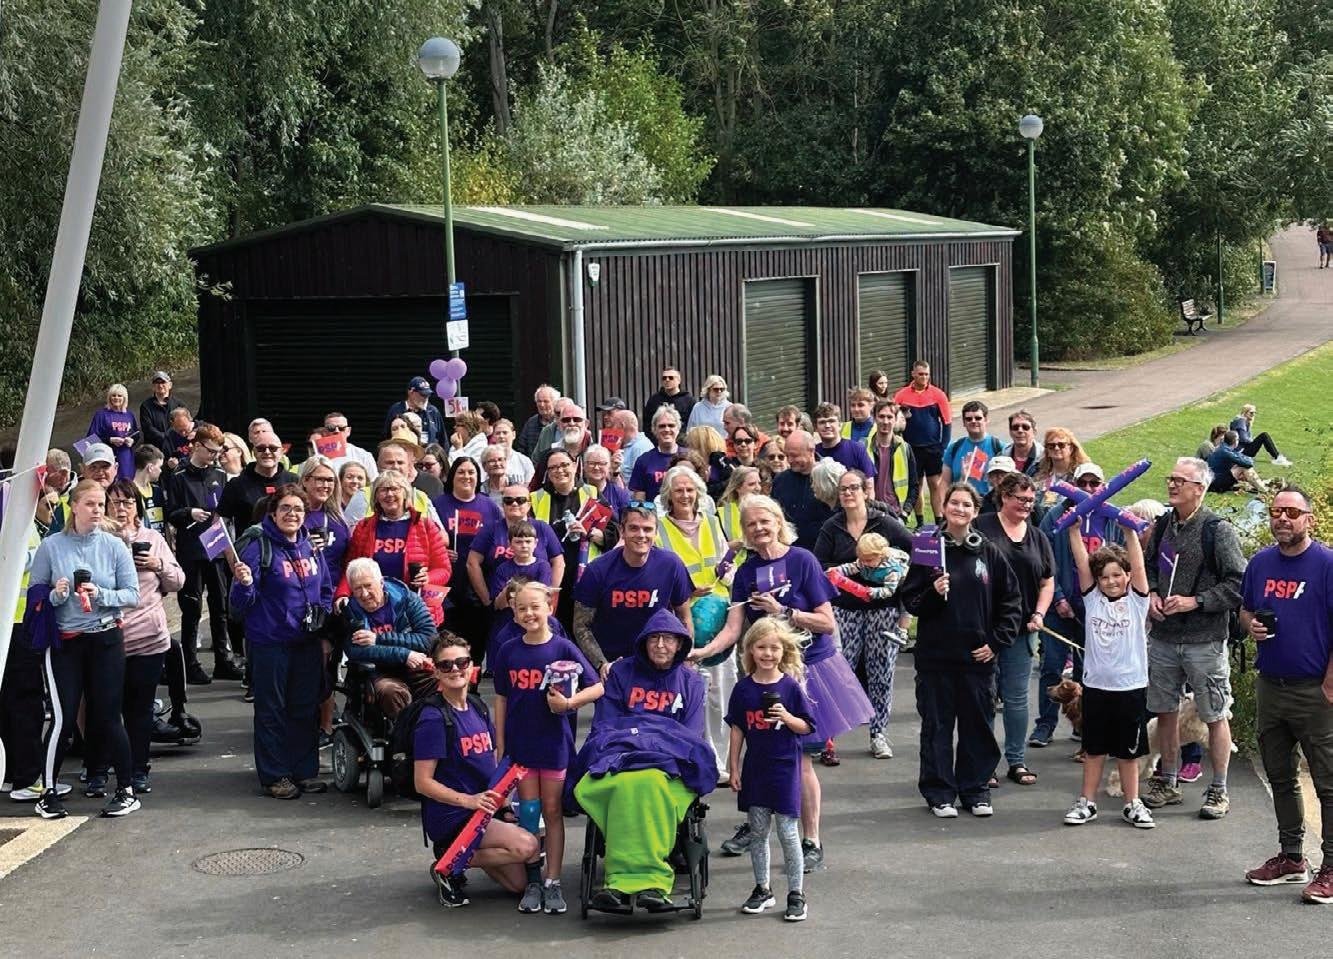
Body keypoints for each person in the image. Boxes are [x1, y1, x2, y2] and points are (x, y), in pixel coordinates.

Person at [691, 495, 873, 872]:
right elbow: (733, 629)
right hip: (765, 676)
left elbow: (827, 623)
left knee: (799, 759)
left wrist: (785, 612)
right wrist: (702, 651)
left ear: (778, 522)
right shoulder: (745, 572)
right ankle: (757, 824)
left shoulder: (802, 560)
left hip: (808, 672)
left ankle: (811, 841)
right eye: (751, 524)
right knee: (761, 754)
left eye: (765, 521)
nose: (759, 528)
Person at [568, 608, 718, 913]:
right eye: (654, 638)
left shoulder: (690, 682)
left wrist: (640, 733)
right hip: (621, 760)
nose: (661, 645)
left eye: (669, 639)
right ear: (643, 642)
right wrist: (656, 735)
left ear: (680, 644)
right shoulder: (620, 674)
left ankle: (645, 882)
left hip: (669, 767)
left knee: (649, 785)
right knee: (627, 786)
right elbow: (606, 727)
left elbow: (690, 736)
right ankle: (628, 881)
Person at [900, 483, 1022, 818]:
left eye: (967, 504)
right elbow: (911, 600)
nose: (959, 509)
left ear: (975, 511)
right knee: (937, 728)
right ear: (944, 507)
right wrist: (933, 591)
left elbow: (1012, 602)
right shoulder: (927, 550)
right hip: (936, 659)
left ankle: (975, 790)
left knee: (977, 727)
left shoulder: (989, 552)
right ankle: (939, 793)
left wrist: (996, 642)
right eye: (954, 503)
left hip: (977, 659)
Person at [1240, 486, 1333, 903]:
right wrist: (1250, 625)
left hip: (1315, 690)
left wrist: (1329, 684)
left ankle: (1331, 868)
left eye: (1292, 512)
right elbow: (1245, 608)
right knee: (1280, 776)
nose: (1282, 518)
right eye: (1276, 511)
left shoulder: (1327, 564)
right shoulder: (1260, 563)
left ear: (1308, 519)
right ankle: (1292, 858)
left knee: (1328, 784)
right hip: (1271, 685)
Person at [29, 479, 141, 819]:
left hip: (105, 637)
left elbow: (132, 595)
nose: (97, 510)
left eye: (100, 504)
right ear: (73, 506)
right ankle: (48, 792)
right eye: (90, 504)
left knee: (108, 715)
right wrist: (56, 595)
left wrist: (101, 595)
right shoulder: (52, 546)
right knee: (62, 718)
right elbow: (36, 594)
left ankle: (126, 790)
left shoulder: (114, 546)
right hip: (66, 641)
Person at [491, 581, 604, 914]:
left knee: (553, 812)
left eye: (535, 607)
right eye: (521, 608)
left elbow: (597, 687)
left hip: (554, 745)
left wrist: (569, 703)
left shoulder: (563, 648)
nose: (529, 613)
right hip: (521, 745)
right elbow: (501, 698)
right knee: (529, 812)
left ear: (549, 608)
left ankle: (553, 881)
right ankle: (533, 880)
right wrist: (500, 743)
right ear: (514, 613)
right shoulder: (508, 650)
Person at [1143, 456, 1245, 819]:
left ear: (1199, 488)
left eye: (1180, 481)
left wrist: (1196, 601)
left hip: (1205, 640)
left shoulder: (1217, 530)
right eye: (1170, 479)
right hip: (1164, 637)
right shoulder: (1162, 525)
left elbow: (1238, 583)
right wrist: (1152, 594)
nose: (1172, 485)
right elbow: (1149, 567)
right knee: (1165, 711)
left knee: (1214, 714)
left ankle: (1218, 789)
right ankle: (1167, 781)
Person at [414, 632, 542, 908]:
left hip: (483, 810)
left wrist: (504, 808)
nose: (455, 670)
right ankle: (448, 862)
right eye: (446, 665)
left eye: (462, 662)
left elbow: (491, 764)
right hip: (455, 815)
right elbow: (422, 782)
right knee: (527, 846)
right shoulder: (433, 718)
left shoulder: (477, 706)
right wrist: (469, 801)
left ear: (472, 666)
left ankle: (462, 858)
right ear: (435, 671)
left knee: (518, 884)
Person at [230, 485, 333, 799]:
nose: (292, 514)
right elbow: (239, 603)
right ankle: (275, 775)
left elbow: (325, 589)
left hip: (307, 642)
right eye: (285, 508)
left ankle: (303, 771)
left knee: (305, 708)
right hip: (269, 643)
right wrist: (244, 584)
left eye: (298, 509)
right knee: (272, 710)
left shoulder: (311, 546)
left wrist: (323, 620)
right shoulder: (257, 546)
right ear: (273, 513)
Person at [1061, 512, 1156, 828]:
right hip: (1097, 687)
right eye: (1104, 577)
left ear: (1127, 576)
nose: (1111, 581)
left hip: (1130, 687)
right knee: (1094, 749)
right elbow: (1082, 564)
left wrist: (1130, 533)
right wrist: (1074, 531)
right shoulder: (1093, 599)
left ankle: (1132, 803)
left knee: (1128, 752)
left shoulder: (1137, 600)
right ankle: (1087, 802)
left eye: (1117, 575)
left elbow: (1139, 566)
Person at [814, 472, 912, 758]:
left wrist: (898, 571)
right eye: (843, 489)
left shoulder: (884, 522)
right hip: (846, 610)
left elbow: (914, 549)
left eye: (853, 488)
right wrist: (847, 573)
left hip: (883, 610)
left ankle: (878, 734)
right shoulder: (832, 526)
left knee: (881, 672)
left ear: (865, 491)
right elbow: (820, 565)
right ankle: (828, 738)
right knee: (839, 673)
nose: (848, 493)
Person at [727, 617, 816, 922]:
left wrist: (787, 717)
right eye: (761, 647)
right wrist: (733, 767)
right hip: (756, 768)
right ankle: (762, 888)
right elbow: (737, 729)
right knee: (758, 831)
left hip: (785, 769)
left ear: (784, 651)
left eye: (774, 648)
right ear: (750, 650)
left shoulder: (790, 686)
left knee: (788, 832)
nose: (768, 654)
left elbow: (807, 726)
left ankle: (796, 893)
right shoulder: (743, 689)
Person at [1031, 462, 1125, 747]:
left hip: (1096, 608)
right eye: (1082, 483)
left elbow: (1122, 560)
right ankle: (1045, 725)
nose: (1087, 489)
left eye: (1094, 484)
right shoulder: (1055, 515)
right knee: (1052, 666)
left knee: (1091, 670)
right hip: (1059, 604)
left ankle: (1086, 724)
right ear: (1072, 486)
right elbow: (1044, 559)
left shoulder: (1111, 518)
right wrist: (1058, 597)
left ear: (1103, 487)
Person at [103, 480, 185, 797]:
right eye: (114, 502)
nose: (121, 508)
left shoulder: (152, 538)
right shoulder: (99, 540)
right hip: (109, 637)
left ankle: (138, 770)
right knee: (109, 709)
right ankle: (104, 768)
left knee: (140, 710)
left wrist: (158, 564)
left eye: (127, 502)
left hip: (148, 638)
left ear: (137, 506)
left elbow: (178, 581)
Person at [974, 472, 1054, 788]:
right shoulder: (981, 527)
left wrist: (1040, 613)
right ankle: (984, 764)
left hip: (1022, 630)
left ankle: (1016, 760)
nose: (1027, 505)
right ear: (1004, 496)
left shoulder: (1038, 536)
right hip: (985, 630)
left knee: (1017, 698)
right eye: (1021, 499)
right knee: (984, 697)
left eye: (1031, 500)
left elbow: (1047, 581)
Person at [654, 465, 736, 771]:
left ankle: (721, 761)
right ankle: (697, 757)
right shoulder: (659, 529)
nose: (685, 495)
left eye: (690, 490)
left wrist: (728, 575)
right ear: (668, 495)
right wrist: (687, 591)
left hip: (720, 620)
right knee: (691, 693)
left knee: (721, 692)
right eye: (679, 490)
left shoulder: (713, 523)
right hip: (681, 621)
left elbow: (728, 564)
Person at [572, 502, 693, 679]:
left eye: (647, 529)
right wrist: (601, 664)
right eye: (634, 528)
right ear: (622, 531)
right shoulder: (598, 569)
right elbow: (581, 625)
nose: (641, 535)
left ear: (656, 533)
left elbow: (684, 618)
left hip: (658, 662)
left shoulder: (671, 565)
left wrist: (683, 661)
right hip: (612, 664)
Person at [164, 424, 236, 685]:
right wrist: (189, 513)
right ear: (197, 446)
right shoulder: (179, 476)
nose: (214, 456)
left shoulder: (219, 474)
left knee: (220, 605)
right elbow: (171, 512)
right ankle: (190, 663)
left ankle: (223, 659)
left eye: (218, 452)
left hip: (215, 547)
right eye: (210, 451)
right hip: (192, 548)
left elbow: (226, 509)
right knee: (192, 607)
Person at [338, 470, 451, 625]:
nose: (389, 494)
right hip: (374, 611)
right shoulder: (364, 527)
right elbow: (351, 569)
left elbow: (444, 569)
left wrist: (428, 578)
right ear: (376, 496)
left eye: (394, 489)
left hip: (415, 610)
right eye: (383, 490)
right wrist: (342, 594)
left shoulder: (426, 526)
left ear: (405, 494)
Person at [530, 448, 620, 630]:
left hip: (586, 576)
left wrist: (593, 534)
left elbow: (614, 530)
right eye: (553, 467)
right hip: (550, 578)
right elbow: (528, 535)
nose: (559, 470)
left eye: (564, 465)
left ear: (574, 465)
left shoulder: (592, 492)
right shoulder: (535, 498)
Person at [467, 485, 566, 639]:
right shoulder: (491, 529)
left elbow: (559, 562)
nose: (514, 504)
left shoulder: (542, 528)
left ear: (529, 504)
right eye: (508, 500)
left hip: (537, 610)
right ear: (502, 504)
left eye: (520, 500)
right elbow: (472, 563)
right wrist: (487, 600)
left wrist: (548, 597)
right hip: (504, 610)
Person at [343, 558, 437, 719]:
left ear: (381, 583)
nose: (364, 594)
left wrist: (378, 639)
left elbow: (429, 640)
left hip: (417, 667)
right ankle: (404, 732)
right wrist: (403, 654)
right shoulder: (350, 611)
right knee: (391, 692)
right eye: (357, 588)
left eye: (368, 585)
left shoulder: (407, 599)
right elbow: (356, 651)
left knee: (444, 681)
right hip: (378, 673)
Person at [433, 455, 504, 653]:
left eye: (471, 472)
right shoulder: (438, 504)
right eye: (461, 472)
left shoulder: (489, 506)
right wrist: (440, 551)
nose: (466, 476)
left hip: (479, 582)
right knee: (448, 638)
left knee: (476, 638)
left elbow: (498, 539)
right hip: (448, 582)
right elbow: (429, 538)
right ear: (452, 476)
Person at [893, 361, 952, 526]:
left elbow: (947, 422)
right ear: (913, 374)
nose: (924, 377)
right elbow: (894, 421)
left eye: (927, 374)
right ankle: (920, 522)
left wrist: (943, 446)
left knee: (935, 485)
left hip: (933, 448)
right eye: (921, 374)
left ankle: (939, 521)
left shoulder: (938, 395)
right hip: (911, 448)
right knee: (916, 486)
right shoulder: (901, 395)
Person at [219, 430, 298, 531]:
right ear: (254, 452)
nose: (267, 452)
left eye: (273, 448)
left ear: (282, 452)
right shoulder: (236, 484)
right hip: (250, 540)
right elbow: (220, 522)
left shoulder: (294, 480)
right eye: (261, 448)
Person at [769, 431, 830, 550]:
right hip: (790, 550)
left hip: (823, 549)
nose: (789, 460)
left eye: (794, 455)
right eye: (787, 455)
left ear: (811, 451)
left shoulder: (829, 477)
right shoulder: (780, 481)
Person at [867, 400, 919, 521]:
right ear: (874, 418)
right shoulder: (863, 446)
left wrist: (905, 512)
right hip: (870, 513)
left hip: (896, 514)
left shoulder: (905, 448)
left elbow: (914, 485)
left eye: (889, 417)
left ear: (895, 420)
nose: (885, 421)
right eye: (881, 416)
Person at [940, 400, 1004, 498]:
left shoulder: (1000, 447)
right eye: (969, 419)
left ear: (986, 419)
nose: (973, 421)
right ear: (964, 422)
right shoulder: (953, 448)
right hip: (961, 502)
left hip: (990, 503)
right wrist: (942, 505)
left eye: (978, 418)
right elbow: (944, 482)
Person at [87, 383, 141, 480]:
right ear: (109, 397)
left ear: (124, 398)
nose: (116, 398)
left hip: (126, 458)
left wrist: (132, 441)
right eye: (113, 395)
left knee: (126, 483)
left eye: (119, 396)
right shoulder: (101, 415)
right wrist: (110, 440)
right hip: (107, 457)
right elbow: (90, 438)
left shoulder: (129, 415)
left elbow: (136, 434)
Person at [531, 404, 592, 489]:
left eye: (577, 419)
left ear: (586, 424)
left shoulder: (596, 454)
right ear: (559, 425)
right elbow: (534, 486)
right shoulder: (548, 456)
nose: (571, 423)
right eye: (566, 420)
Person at [629, 405, 683, 501]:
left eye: (671, 425)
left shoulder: (689, 458)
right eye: (662, 426)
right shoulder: (643, 461)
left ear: (678, 429)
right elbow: (639, 499)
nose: (667, 429)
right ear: (654, 430)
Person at [812, 403, 875, 475]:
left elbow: (869, 480)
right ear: (815, 427)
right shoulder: (813, 453)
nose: (827, 426)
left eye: (831, 421)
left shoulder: (857, 449)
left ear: (839, 425)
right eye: (822, 422)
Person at [384, 376, 445, 445]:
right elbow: (387, 436)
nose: (425, 398)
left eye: (428, 395)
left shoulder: (433, 411)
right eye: (422, 395)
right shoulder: (396, 409)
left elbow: (443, 439)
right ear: (411, 392)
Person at [1207, 430, 1269, 495]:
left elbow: (1240, 457)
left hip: (1213, 479)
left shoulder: (1223, 448)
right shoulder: (1226, 452)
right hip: (1216, 483)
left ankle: (1259, 486)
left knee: (1239, 466)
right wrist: (1249, 460)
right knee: (1243, 467)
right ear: (1235, 441)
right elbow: (1248, 463)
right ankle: (1263, 489)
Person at [137, 371, 184, 455]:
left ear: (170, 385)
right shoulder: (145, 406)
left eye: (163, 382)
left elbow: (184, 424)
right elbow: (147, 428)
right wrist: (165, 437)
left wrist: (171, 438)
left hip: (176, 448)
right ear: (153, 386)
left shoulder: (179, 404)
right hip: (153, 452)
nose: (160, 385)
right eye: (157, 382)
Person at [583, 444, 629, 519]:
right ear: (584, 466)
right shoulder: (576, 492)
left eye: (602, 463)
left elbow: (625, 521)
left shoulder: (619, 494)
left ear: (609, 466)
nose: (596, 467)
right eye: (592, 463)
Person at [132, 444, 167, 533]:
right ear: (150, 467)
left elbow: (165, 523)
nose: (161, 471)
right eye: (159, 467)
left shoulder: (157, 491)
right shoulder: (129, 491)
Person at [612, 409, 653, 485]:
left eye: (613, 425)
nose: (611, 429)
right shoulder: (626, 445)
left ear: (622, 426)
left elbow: (643, 483)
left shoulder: (641, 447)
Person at [490, 419, 535, 487]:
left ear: (514, 435)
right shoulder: (488, 461)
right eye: (498, 433)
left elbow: (531, 487)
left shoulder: (525, 461)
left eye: (505, 433)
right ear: (493, 437)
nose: (501, 436)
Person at [517, 384, 559, 457]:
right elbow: (522, 448)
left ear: (555, 402)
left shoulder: (561, 423)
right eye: (539, 401)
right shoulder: (531, 423)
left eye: (546, 401)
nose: (542, 405)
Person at [1002, 409, 1043, 476]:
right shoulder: (1002, 456)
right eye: (1015, 427)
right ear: (1010, 432)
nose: (1020, 430)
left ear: (1034, 431)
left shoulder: (1044, 458)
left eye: (1025, 427)